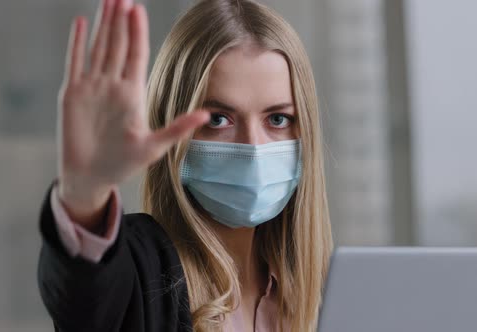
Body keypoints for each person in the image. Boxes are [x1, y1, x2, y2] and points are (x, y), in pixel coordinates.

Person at [37, 0, 332, 330]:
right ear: (172, 126)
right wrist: (85, 191)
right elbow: (83, 298)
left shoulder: (326, 294)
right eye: (218, 119)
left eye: (278, 119)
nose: (252, 147)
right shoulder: (141, 270)